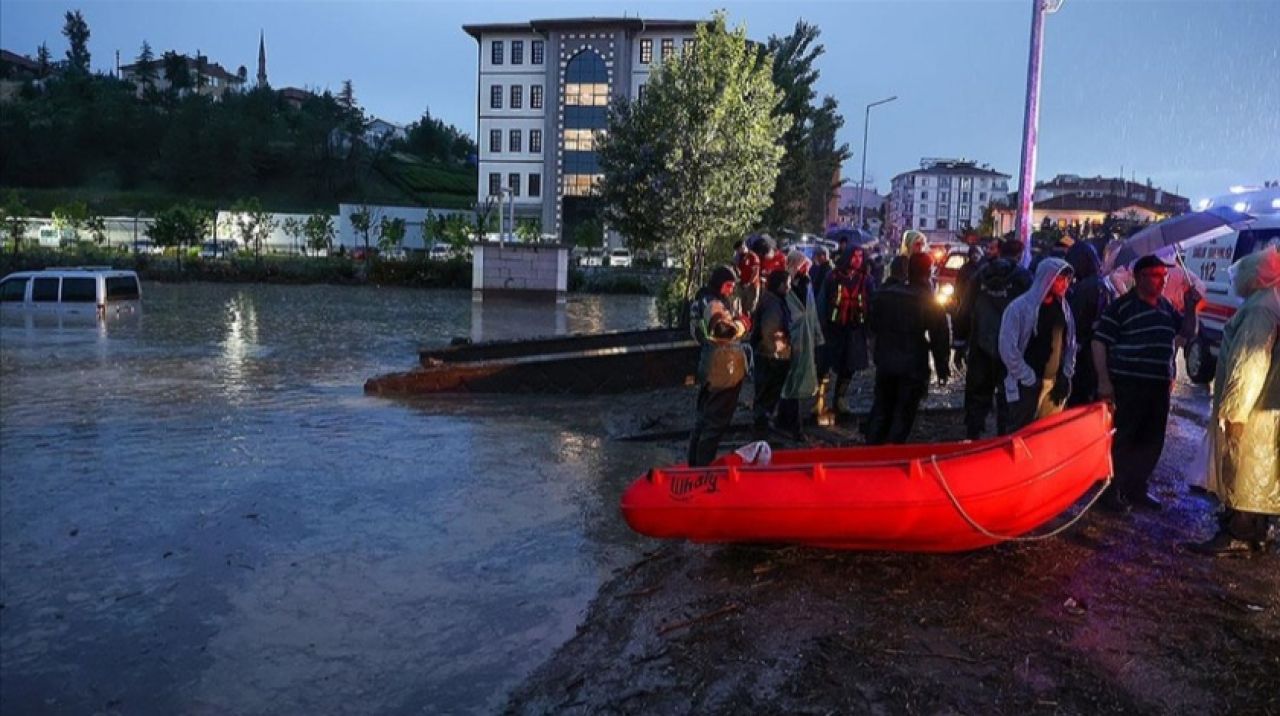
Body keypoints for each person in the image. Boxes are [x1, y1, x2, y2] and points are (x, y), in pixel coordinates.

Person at [1190, 247, 1279, 555]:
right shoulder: (1268, 302)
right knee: (1258, 471)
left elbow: (1249, 362)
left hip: (1250, 409)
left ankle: (1239, 532)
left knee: (1242, 469)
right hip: (1260, 407)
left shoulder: (1259, 309)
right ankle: (1255, 529)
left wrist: (1235, 412)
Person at [1093, 255, 1200, 511]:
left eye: (1164, 275)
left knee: (1151, 440)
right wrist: (1104, 381)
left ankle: (1136, 488)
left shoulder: (1165, 306)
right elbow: (1099, 342)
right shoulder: (1121, 307)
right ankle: (1111, 491)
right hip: (1129, 384)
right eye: (1156, 275)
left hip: (1158, 385)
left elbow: (1187, 333)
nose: (1163, 280)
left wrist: (1190, 307)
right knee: (1124, 439)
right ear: (1140, 277)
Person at [866, 253, 951, 444]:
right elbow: (940, 337)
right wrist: (942, 367)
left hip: (886, 361)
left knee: (882, 408)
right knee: (903, 414)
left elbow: (873, 324)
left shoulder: (886, 294)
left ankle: (871, 450)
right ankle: (892, 454)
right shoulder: (927, 300)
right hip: (912, 365)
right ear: (928, 272)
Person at [957, 239, 1033, 438]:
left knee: (977, 394)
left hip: (980, 343)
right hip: (1010, 348)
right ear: (1020, 255)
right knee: (1007, 395)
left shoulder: (980, 274)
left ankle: (973, 436)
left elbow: (964, 310)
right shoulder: (1024, 278)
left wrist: (959, 342)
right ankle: (1003, 440)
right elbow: (1033, 312)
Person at [999, 258, 1076, 431]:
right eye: (1059, 278)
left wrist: (1066, 374)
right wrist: (1027, 377)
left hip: (1054, 383)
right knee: (1022, 433)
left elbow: (1070, 342)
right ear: (1047, 278)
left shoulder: (1063, 308)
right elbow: (1007, 348)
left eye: (1067, 279)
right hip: (1027, 385)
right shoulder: (1019, 308)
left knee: (1048, 434)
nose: (1065, 284)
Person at [687, 265, 752, 467]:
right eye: (728, 286)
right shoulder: (712, 302)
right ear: (718, 284)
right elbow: (723, 330)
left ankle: (694, 464)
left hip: (711, 363)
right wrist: (743, 324)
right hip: (723, 369)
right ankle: (702, 469)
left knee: (704, 418)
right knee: (715, 422)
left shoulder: (702, 300)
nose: (731, 290)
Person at [818, 246, 873, 417]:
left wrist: (870, 330)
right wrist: (820, 327)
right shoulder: (832, 277)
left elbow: (872, 302)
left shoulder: (866, 280)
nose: (857, 259)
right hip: (833, 329)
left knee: (849, 366)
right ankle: (819, 401)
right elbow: (822, 301)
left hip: (855, 329)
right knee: (825, 365)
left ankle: (840, 399)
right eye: (854, 256)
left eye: (860, 256)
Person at [777, 250, 824, 440]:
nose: (806, 270)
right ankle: (793, 425)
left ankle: (789, 421)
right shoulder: (785, 287)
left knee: (797, 380)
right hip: (792, 339)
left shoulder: (807, 285)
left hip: (805, 339)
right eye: (802, 266)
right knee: (790, 380)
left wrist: (817, 336)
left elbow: (811, 314)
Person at [1064, 241, 1109, 406]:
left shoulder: (1087, 288)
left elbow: (1076, 321)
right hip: (1094, 352)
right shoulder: (1100, 284)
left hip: (1084, 354)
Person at [751, 269, 792, 437]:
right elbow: (771, 331)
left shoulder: (771, 300)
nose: (789, 288)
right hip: (772, 357)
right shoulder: (773, 304)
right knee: (768, 393)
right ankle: (762, 428)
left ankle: (763, 425)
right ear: (781, 285)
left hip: (769, 354)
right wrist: (779, 351)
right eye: (787, 284)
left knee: (766, 394)